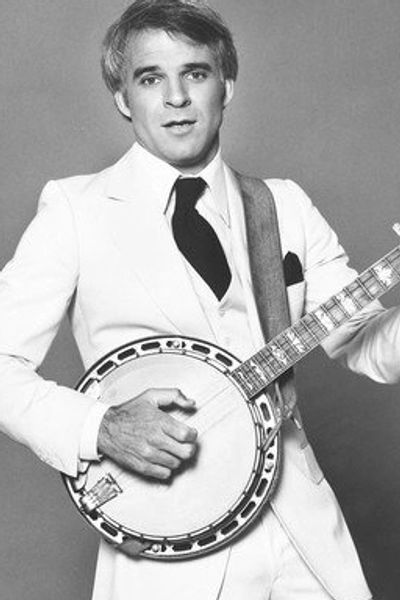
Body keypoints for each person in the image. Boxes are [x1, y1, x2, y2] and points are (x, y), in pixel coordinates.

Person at [0, 1, 399, 598]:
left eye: (196, 73)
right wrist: (99, 427)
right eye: (150, 78)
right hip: (166, 544)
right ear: (121, 97)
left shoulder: (282, 205)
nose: (177, 98)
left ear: (227, 85)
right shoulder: (75, 212)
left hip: (305, 535)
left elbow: (371, 350)